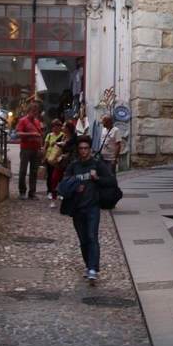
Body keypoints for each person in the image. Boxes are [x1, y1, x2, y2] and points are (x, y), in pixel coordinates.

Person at [61, 135, 117, 283]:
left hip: (93, 207)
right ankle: (88, 265)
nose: (83, 151)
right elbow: (63, 185)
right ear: (78, 150)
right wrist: (74, 188)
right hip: (77, 209)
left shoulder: (97, 165)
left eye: (86, 148)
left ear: (90, 149)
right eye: (81, 149)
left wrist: (97, 178)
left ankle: (93, 268)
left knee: (92, 237)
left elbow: (111, 181)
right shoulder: (73, 166)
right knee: (83, 239)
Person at [16, 101, 43, 199]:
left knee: (34, 171)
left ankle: (32, 192)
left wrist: (41, 148)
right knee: (23, 170)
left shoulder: (37, 122)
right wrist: (31, 134)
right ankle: (22, 191)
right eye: (34, 110)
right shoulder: (23, 121)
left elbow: (40, 135)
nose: (35, 112)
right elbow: (19, 134)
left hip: (35, 148)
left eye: (37, 111)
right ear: (29, 110)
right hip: (26, 148)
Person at [49, 120, 78, 209]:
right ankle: (54, 198)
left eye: (64, 126)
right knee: (54, 178)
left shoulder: (74, 136)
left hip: (71, 161)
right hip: (61, 161)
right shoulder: (63, 136)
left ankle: (69, 199)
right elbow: (56, 142)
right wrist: (56, 142)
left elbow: (68, 143)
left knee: (69, 180)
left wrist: (60, 143)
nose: (62, 128)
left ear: (68, 128)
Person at [43, 119, 64, 201]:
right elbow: (45, 147)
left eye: (57, 125)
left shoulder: (63, 135)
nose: (55, 127)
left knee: (60, 176)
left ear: (60, 127)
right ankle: (50, 191)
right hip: (50, 158)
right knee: (50, 175)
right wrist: (43, 157)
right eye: (54, 126)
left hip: (59, 158)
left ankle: (60, 191)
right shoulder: (49, 135)